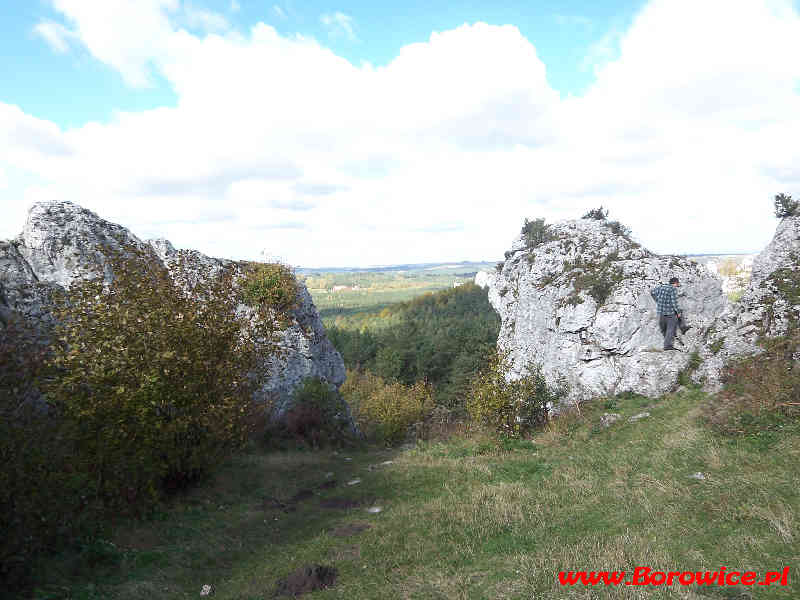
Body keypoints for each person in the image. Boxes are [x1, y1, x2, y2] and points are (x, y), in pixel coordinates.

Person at [650, 277, 691, 350]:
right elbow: (674, 302)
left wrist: (658, 301)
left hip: (661, 313)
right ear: (675, 283)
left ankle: (682, 328)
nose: (678, 284)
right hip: (670, 313)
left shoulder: (662, 287)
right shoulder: (673, 289)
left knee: (664, 329)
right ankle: (668, 346)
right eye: (678, 283)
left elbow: (652, 292)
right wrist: (678, 313)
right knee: (671, 329)